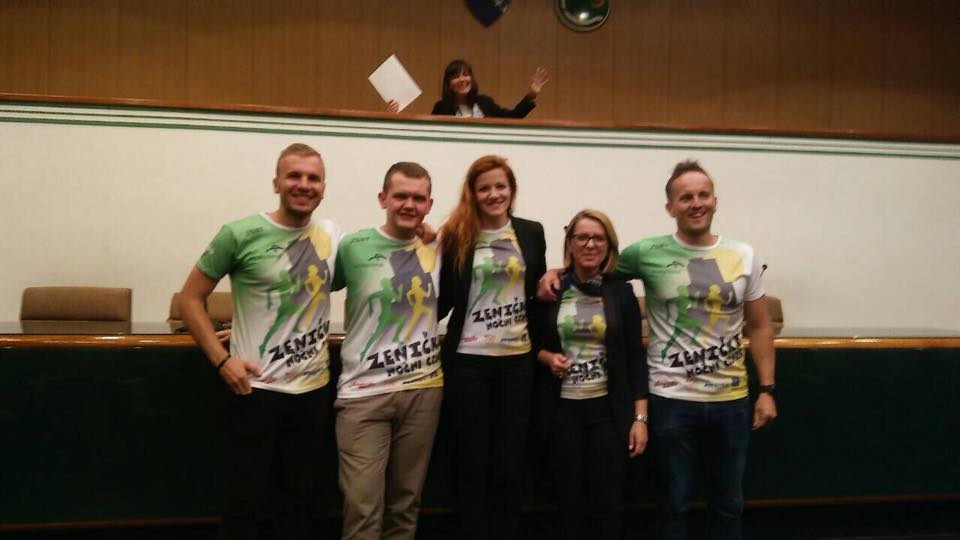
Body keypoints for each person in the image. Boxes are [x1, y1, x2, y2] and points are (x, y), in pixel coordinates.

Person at [538, 160, 777, 540]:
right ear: (670, 207)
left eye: (703, 195)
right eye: (685, 197)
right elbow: (592, 264)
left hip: (731, 401)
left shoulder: (744, 255)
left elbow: (760, 326)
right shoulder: (646, 252)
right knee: (673, 503)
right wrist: (554, 272)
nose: (695, 203)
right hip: (670, 399)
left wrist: (766, 388)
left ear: (715, 201)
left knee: (729, 503)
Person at [179, 143, 340, 540]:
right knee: (243, 504)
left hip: (313, 391)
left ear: (323, 188)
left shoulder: (333, 236)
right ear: (276, 183)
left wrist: (423, 234)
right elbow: (189, 299)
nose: (303, 184)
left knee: (298, 503)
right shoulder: (238, 233)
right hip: (256, 391)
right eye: (294, 175)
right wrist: (221, 360)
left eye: (313, 178)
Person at [331, 162, 443, 540]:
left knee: (404, 507)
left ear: (429, 204)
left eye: (418, 198)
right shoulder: (353, 246)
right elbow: (308, 292)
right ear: (383, 199)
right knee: (362, 507)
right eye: (400, 196)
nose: (409, 205)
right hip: (362, 395)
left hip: (423, 391)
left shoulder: (440, 246)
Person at [437, 155, 547, 540]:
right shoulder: (457, 235)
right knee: (471, 461)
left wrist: (553, 279)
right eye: (484, 188)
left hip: (518, 363)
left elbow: (537, 292)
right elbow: (444, 297)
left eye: (500, 186)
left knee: (510, 463)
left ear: (512, 190)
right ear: (473, 193)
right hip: (468, 363)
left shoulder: (531, 232)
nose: (493, 194)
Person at [535, 209, 649, 540]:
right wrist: (547, 357)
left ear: (609, 246)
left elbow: (634, 359)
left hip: (608, 414)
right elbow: (529, 345)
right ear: (570, 243)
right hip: (561, 413)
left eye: (598, 238)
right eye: (582, 237)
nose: (590, 244)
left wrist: (640, 419)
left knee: (608, 506)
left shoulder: (621, 292)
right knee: (568, 506)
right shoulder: (551, 290)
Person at [421, 59, 547, 118]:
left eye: (465, 75)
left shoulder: (485, 102)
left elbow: (512, 118)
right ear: (448, 84)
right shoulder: (441, 108)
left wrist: (531, 95)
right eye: (456, 76)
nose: (462, 79)